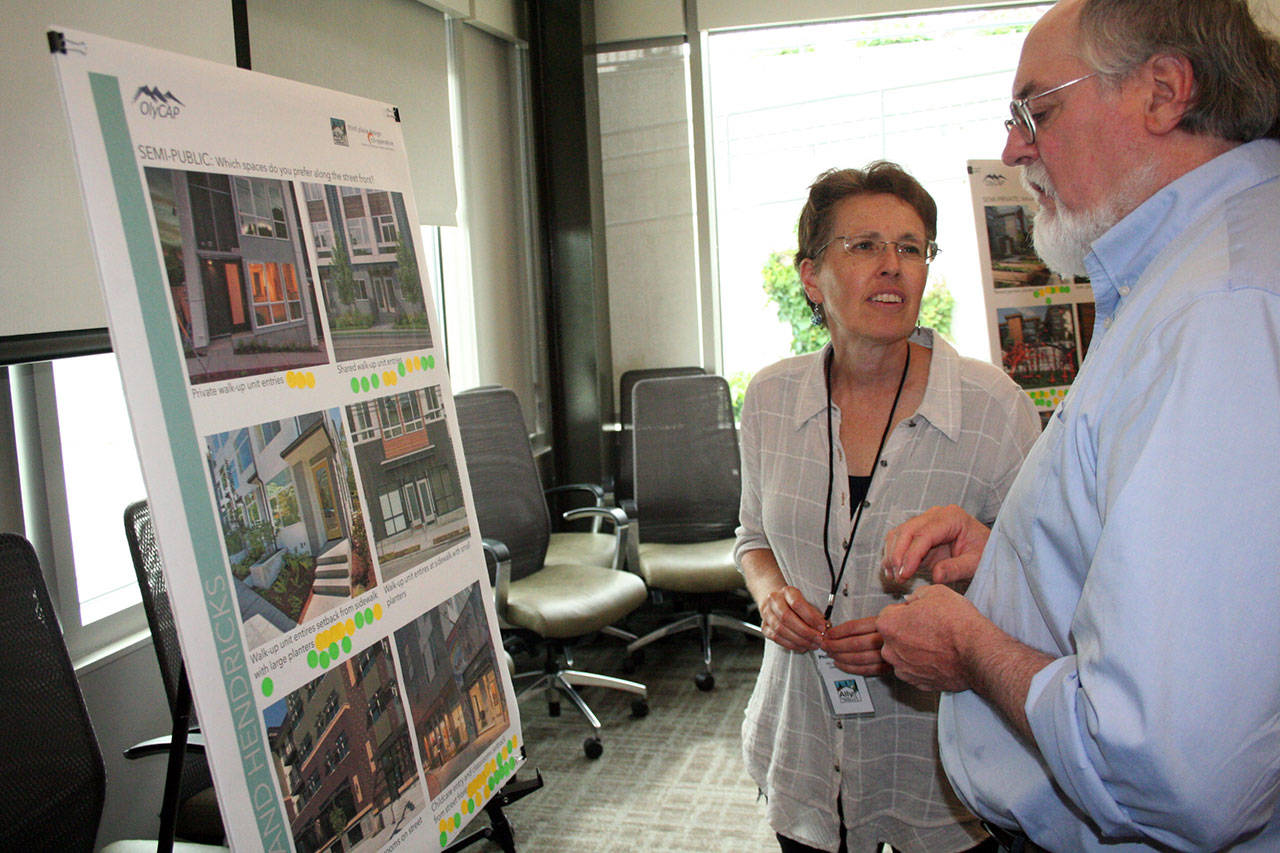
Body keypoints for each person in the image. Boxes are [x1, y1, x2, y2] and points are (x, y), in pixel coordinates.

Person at [875, 0, 1280, 849]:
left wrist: (969, 645)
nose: (1015, 149)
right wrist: (1017, 561)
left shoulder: (1218, 309)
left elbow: (1177, 775)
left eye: (1037, 111)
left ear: (1163, 92)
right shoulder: (1190, 274)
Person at [735, 161, 1041, 852]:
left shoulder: (994, 410)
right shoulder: (771, 399)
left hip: (937, 762)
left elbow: (1038, 588)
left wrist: (922, 634)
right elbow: (752, 536)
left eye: (911, 248)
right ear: (811, 276)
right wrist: (772, 593)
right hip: (805, 743)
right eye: (866, 245)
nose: (893, 266)